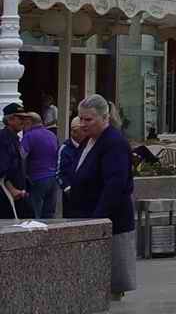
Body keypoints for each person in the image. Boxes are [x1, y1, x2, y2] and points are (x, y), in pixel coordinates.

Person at [65, 94, 136, 301]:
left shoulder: (114, 142)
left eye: (89, 119)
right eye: (81, 118)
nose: (83, 123)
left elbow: (115, 184)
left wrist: (98, 218)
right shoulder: (88, 140)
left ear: (105, 118)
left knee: (109, 281)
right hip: (84, 216)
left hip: (107, 220)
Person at [18, 111, 58, 219]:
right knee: (49, 214)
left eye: (24, 123)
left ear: (30, 122)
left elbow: (21, 156)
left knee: (36, 214)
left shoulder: (29, 136)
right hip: (53, 178)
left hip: (37, 178)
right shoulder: (52, 135)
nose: (22, 126)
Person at [1, 103, 29, 219]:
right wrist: (12, 190)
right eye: (20, 118)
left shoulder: (15, 138)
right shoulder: (3, 139)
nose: (23, 121)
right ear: (9, 119)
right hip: (6, 196)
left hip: (19, 194)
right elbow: (2, 171)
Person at [58, 117, 84, 214]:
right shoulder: (65, 149)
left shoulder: (88, 145)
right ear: (75, 132)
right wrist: (67, 188)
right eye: (83, 130)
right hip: (71, 195)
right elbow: (59, 173)